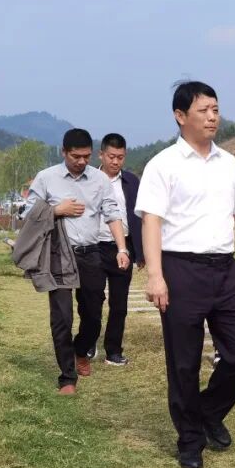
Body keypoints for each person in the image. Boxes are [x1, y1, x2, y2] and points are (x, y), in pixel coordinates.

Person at [136, 81, 235, 468]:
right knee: (184, 363)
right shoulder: (163, 165)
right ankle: (190, 440)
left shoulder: (228, 164)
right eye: (203, 110)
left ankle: (207, 411)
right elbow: (151, 222)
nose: (212, 117)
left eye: (216, 109)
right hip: (180, 270)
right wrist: (155, 275)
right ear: (180, 116)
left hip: (224, 271)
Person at [24, 128, 129, 394]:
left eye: (86, 156)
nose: (81, 161)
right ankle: (67, 377)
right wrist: (56, 210)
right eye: (75, 156)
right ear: (64, 152)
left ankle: (81, 349)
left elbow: (112, 213)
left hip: (91, 253)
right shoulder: (46, 178)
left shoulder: (99, 179)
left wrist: (122, 249)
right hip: (58, 253)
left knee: (93, 314)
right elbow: (26, 213)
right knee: (62, 316)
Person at [84, 133, 145, 366]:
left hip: (123, 248)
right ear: (101, 155)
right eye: (111, 156)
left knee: (119, 303)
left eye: (120, 157)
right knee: (92, 298)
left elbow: (139, 218)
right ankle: (88, 342)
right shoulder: (88, 179)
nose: (115, 161)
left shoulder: (131, 182)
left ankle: (113, 350)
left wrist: (139, 252)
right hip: (94, 247)